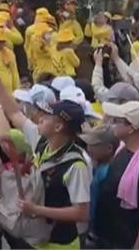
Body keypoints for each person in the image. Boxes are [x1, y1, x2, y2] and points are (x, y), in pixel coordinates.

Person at [18, 100, 91, 249]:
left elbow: (82, 213)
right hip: (37, 238)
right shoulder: (42, 144)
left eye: (47, 117)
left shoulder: (76, 165)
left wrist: (37, 210)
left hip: (61, 244)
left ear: (58, 127)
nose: (40, 118)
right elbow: (14, 113)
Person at [95, 100, 139, 249]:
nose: (113, 124)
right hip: (113, 237)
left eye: (117, 121)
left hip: (131, 242)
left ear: (131, 128)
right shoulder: (123, 150)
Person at [80, 124, 118, 246]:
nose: (88, 148)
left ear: (109, 148)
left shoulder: (106, 173)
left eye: (94, 145)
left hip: (100, 233)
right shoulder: (98, 166)